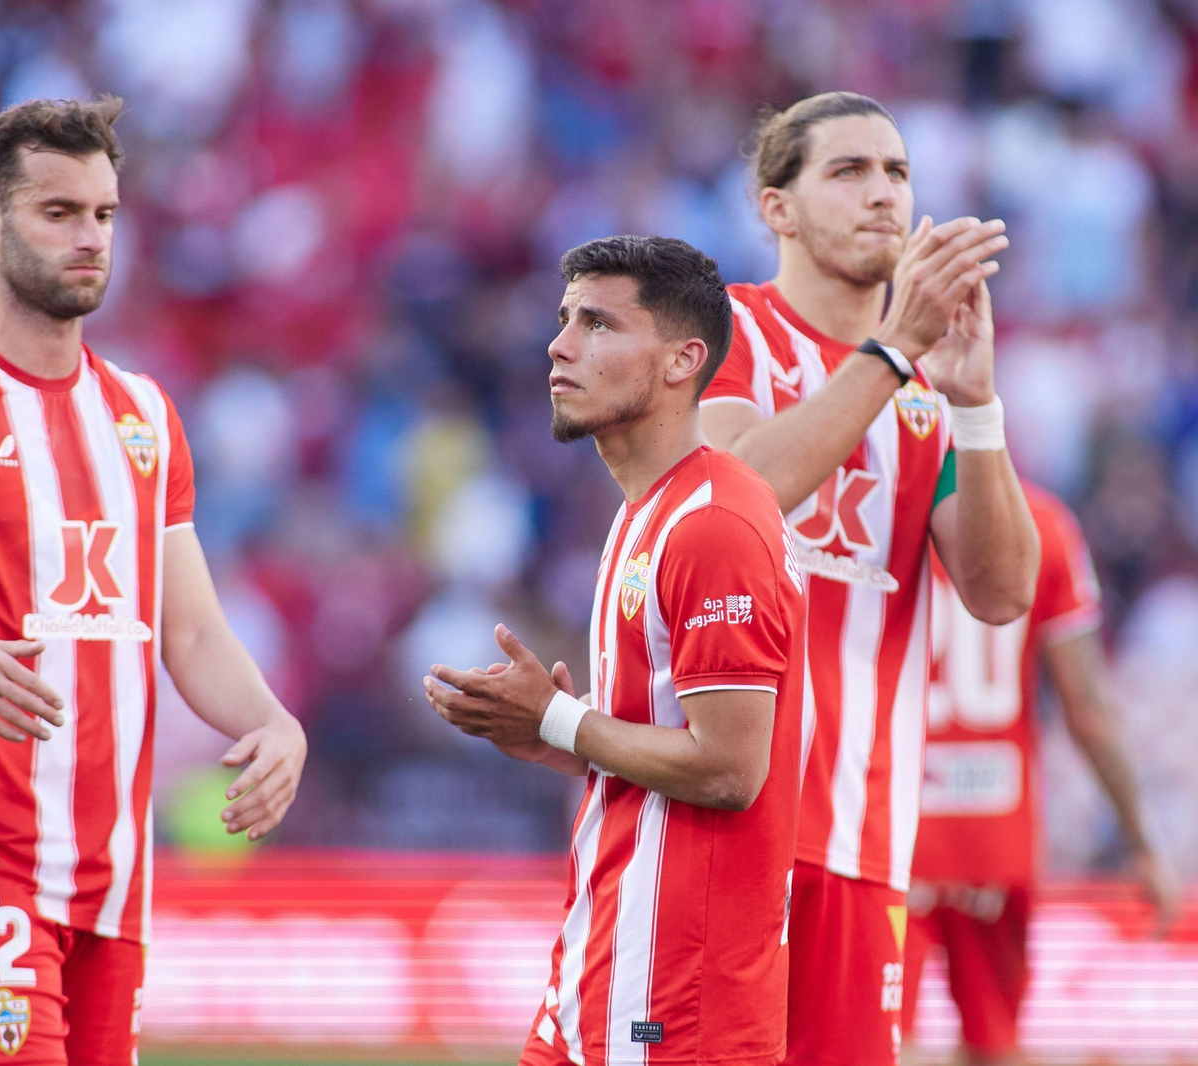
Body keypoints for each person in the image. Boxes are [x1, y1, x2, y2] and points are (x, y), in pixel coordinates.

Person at [0, 96, 307, 1066]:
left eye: (105, 215)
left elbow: (189, 633)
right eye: (60, 213)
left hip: (115, 882)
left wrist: (274, 722)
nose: (90, 239)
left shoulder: (143, 413)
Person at [698, 91, 1041, 1065]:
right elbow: (738, 498)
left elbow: (1000, 591)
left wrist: (975, 405)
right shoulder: (726, 332)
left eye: (896, 172)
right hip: (723, 820)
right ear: (777, 208)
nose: (882, 194)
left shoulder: (925, 396)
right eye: (846, 171)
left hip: (860, 834)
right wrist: (892, 351)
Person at [427, 235, 807, 1066]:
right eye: (564, 320)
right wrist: (549, 736)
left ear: (682, 361)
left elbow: (730, 770)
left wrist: (563, 718)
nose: (559, 346)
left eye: (597, 324)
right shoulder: (644, 509)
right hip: (604, 967)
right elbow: (662, 747)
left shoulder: (713, 525)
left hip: (677, 997)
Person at [902, 482, 1181, 1064]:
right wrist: (1142, 842)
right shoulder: (1046, 523)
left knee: (873, 1042)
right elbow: (1089, 709)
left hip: (889, 831)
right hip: (995, 833)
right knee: (996, 1042)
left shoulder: (875, 510)